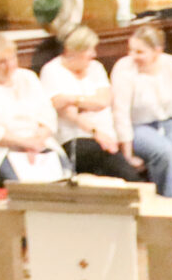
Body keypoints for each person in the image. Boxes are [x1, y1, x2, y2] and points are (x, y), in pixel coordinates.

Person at [112, 23, 172, 210]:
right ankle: (168, 206)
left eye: (140, 52)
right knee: (165, 152)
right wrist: (127, 153)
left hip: (168, 122)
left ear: (157, 51)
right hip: (138, 126)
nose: (133, 56)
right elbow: (120, 112)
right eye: (131, 50)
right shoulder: (124, 68)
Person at [41, 27, 146, 181]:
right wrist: (96, 132)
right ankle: (138, 188)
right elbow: (69, 114)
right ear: (73, 51)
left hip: (106, 134)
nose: (94, 54)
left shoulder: (95, 67)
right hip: (75, 138)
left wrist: (73, 100)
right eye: (89, 50)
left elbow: (103, 101)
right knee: (120, 168)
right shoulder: (52, 71)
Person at [0, 32, 66, 186]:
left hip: (38, 143)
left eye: (12, 58)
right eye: (2, 62)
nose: (10, 65)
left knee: (65, 174)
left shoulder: (28, 78)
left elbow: (47, 115)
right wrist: (25, 143)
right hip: (0, 151)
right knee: (21, 183)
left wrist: (38, 139)